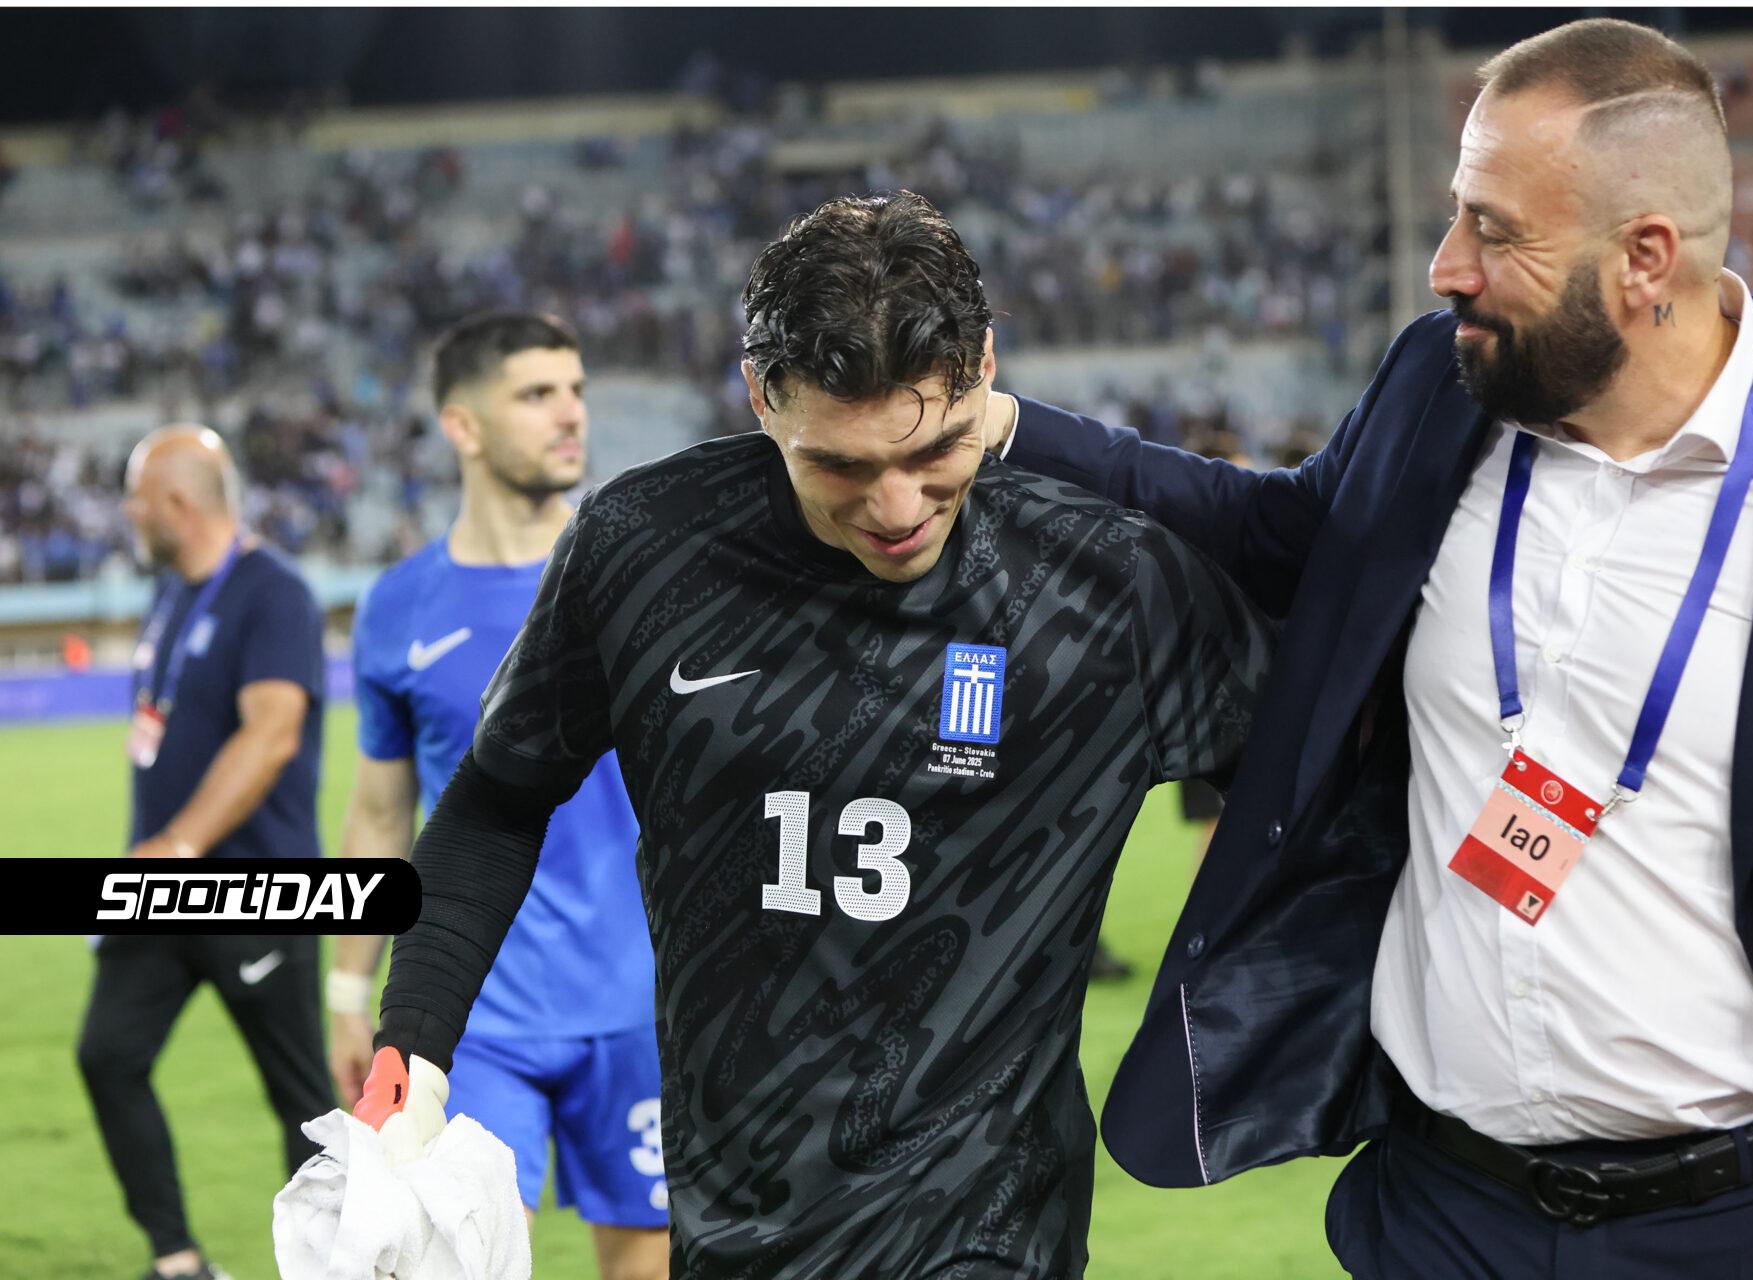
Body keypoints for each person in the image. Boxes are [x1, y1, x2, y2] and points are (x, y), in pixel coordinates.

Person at [987, 18, 1753, 1279]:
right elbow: (1276, 536)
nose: (1446, 267)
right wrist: (1003, 428)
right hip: (1443, 1213)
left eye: (1496, 229)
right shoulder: (1443, 387)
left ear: (1645, 258)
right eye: (1455, 215)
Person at [350, 191, 1274, 1278]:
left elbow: (1309, 784)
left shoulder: (1106, 583)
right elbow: (497, 799)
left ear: (985, 369)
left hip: (993, 1232)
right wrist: (412, 1052)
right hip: (738, 1230)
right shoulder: (644, 549)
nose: (897, 506)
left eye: (936, 448)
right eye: (841, 464)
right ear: (761, 395)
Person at [329, 311, 669, 1279]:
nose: (570, 414)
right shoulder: (399, 606)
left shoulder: (641, 575)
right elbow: (380, 812)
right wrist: (350, 990)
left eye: (576, 390)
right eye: (536, 394)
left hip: (641, 1001)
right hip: (474, 1016)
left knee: (650, 1267)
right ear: (463, 425)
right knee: (459, 1263)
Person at [80, 425, 331, 1280]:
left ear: (179, 503)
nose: (127, 513)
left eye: (137, 497)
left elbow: (272, 734)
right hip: (161, 887)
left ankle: (331, 1268)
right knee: (108, 1055)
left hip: (258, 888)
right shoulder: (170, 592)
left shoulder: (274, 595)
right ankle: (178, 1262)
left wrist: (182, 842)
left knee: (301, 1105)